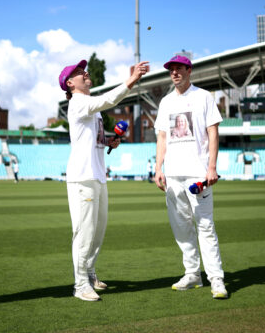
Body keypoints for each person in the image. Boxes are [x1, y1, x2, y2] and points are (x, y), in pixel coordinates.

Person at [60, 58, 149, 301]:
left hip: (97, 175)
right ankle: (80, 286)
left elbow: (92, 138)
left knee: (97, 232)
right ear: (70, 83)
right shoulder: (78, 102)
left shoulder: (91, 107)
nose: (85, 73)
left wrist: (108, 142)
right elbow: (109, 100)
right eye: (80, 72)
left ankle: (89, 273)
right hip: (82, 176)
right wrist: (131, 80)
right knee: (84, 232)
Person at [154, 54, 228, 300]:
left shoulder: (203, 97)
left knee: (205, 227)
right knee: (182, 228)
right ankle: (193, 274)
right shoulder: (165, 102)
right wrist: (158, 169)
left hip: (198, 174)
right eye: (171, 69)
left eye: (179, 69)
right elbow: (162, 137)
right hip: (173, 176)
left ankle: (216, 279)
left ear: (189, 71)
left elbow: (213, 132)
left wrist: (212, 167)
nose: (174, 73)